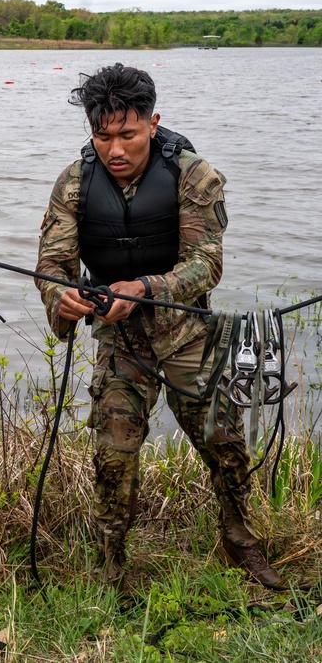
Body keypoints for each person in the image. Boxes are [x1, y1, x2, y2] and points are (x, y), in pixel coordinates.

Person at [35, 63, 282, 589]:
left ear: (153, 122)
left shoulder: (195, 176)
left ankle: (240, 543)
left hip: (189, 339)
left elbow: (206, 264)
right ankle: (112, 566)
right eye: (103, 136)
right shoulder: (74, 181)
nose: (115, 149)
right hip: (121, 343)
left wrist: (144, 289)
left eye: (128, 134)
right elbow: (50, 266)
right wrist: (67, 299)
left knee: (227, 449)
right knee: (112, 456)